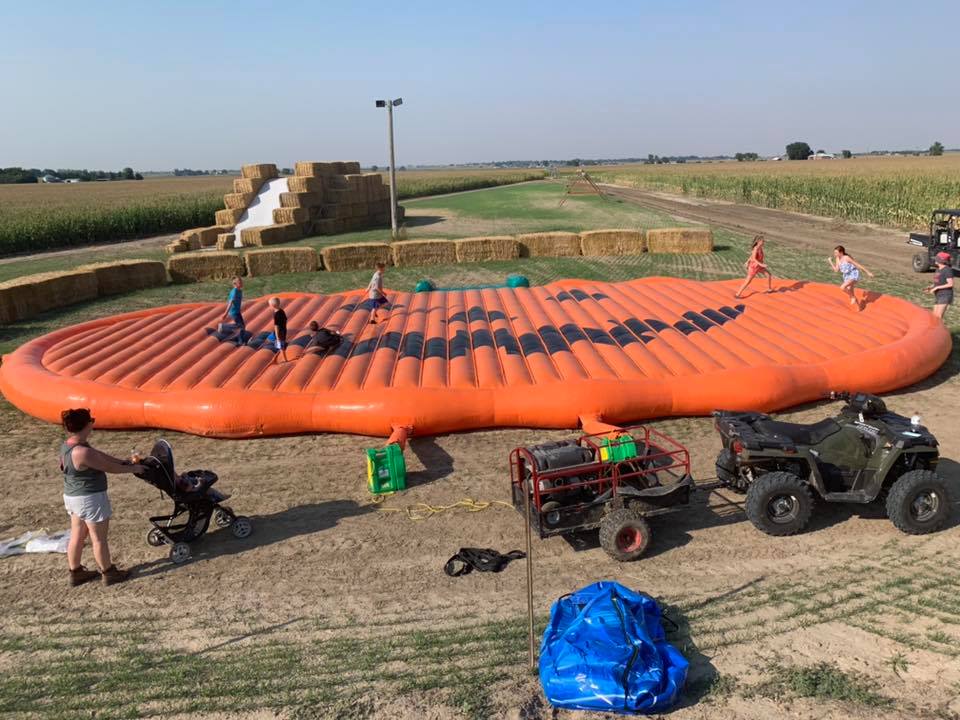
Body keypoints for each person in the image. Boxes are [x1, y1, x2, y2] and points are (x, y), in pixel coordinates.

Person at [59, 408, 146, 587]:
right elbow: (108, 467)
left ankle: (75, 572)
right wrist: (134, 469)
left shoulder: (70, 445)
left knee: (77, 534)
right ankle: (109, 572)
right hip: (90, 499)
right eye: (92, 420)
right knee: (98, 538)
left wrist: (123, 461)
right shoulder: (82, 452)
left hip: (73, 498)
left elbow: (100, 456)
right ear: (87, 424)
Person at [829, 245, 874, 310]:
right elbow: (836, 270)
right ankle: (859, 307)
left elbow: (858, 265)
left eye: (836, 252)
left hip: (853, 274)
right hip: (846, 276)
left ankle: (853, 298)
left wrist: (868, 272)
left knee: (842, 287)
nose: (834, 254)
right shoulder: (837, 259)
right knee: (850, 289)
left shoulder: (846, 258)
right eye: (834, 252)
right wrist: (830, 262)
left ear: (841, 252)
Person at [926, 251, 954, 321]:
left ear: (941, 261)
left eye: (937, 259)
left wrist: (936, 288)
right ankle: (934, 331)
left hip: (945, 295)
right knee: (934, 316)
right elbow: (938, 282)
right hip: (938, 294)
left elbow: (950, 284)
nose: (935, 260)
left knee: (938, 316)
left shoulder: (947, 270)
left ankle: (939, 331)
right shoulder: (938, 269)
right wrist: (931, 287)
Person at [218, 276, 245, 346]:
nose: (242, 283)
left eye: (241, 281)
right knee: (240, 326)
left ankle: (240, 341)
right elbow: (230, 302)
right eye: (240, 282)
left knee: (242, 326)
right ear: (235, 284)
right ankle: (223, 326)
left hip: (237, 311)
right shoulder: (234, 291)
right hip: (233, 312)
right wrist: (225, 313)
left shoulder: (240, 291)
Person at [269, 297, 288, 364]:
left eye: (270, 305)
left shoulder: (276, 315)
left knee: (280, 347)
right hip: (283, 331)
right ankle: (277, 355)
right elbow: (285, 319)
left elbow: (276, 326)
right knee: (270, 339)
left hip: (279, 333)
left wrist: (277, 337)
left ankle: (285, 360)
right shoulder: (282, 311)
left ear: (272, 306)